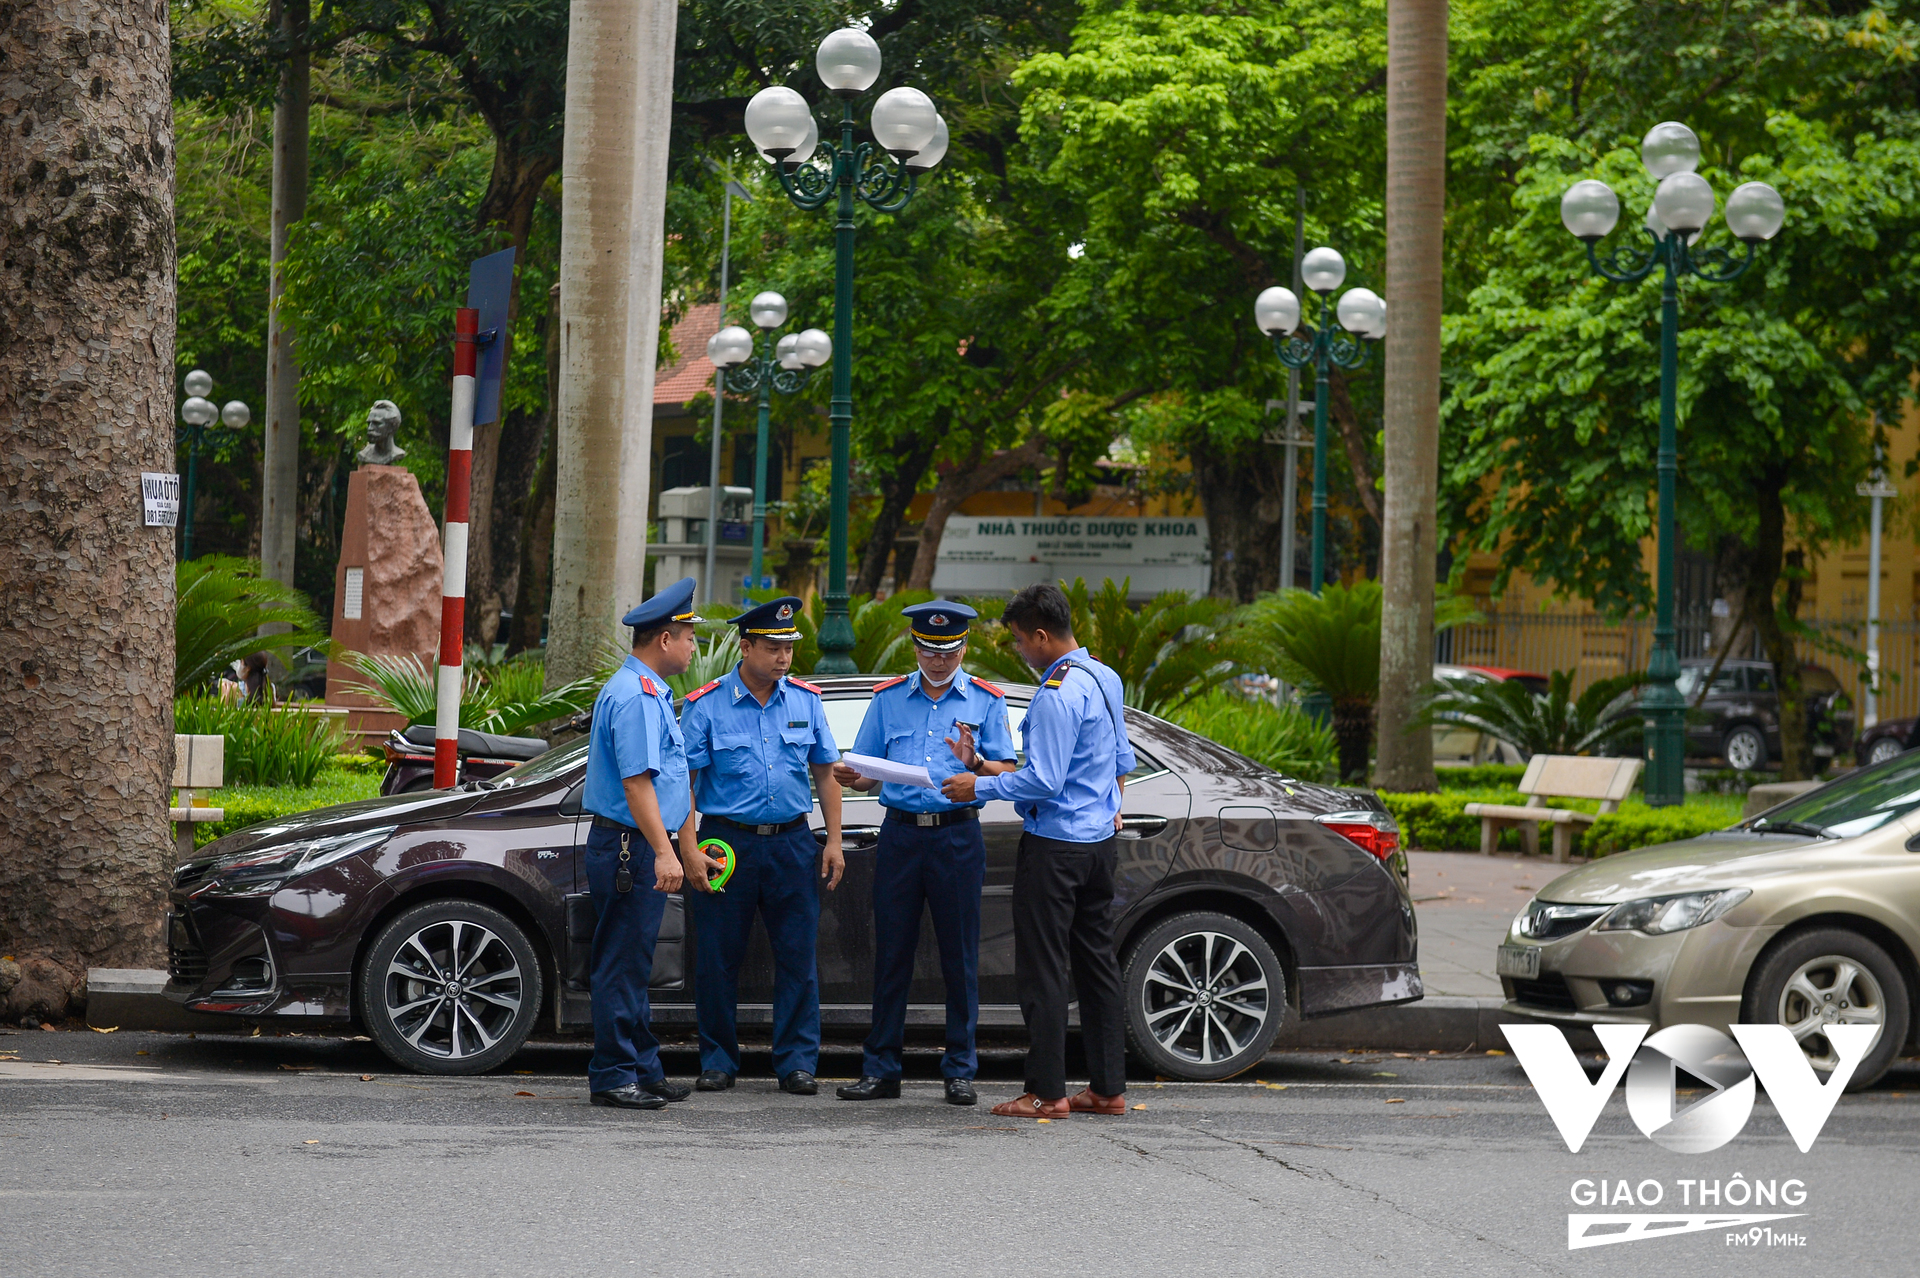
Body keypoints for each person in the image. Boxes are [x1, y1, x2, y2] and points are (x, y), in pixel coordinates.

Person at [941, 581, 1133, 1119]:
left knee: (1044, 969)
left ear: (1043, 635)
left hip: (1055, 848)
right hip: (1098, 845)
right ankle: (1107, 1088)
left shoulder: (1054, 695)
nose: (1021, 652)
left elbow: (1043, 782)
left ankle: (1046, 1092)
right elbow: (1119, 761)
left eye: (1021, 641)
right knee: (1097, 966)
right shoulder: (1104, 677)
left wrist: (976, 787)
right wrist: (981, 764)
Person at [830, 601, 1017, 1107]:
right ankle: (881, 1069)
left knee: (960, 954)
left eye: (950, 651)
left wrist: (974, 762)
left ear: (964, 649)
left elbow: (1007, 770)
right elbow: (868, 769)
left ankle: (959, 1069)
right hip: (901, 836)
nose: (940, 661)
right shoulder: (889, 699)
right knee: (891, 953)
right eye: (931, 651)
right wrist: (852, 778)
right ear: (915, 648)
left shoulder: (984, 700)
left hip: (958, 835)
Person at [679, 596, 843, 1096]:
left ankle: (796, 1062)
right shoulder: (706, 705)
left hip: (793, 842)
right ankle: (718, 1060)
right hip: (726, 843)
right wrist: (688, 848)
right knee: (717, 956)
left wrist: (833, 840)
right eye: (772, 647)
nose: (783, 657)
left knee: (797, 955)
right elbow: (684, 781)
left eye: (789, 647)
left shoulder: (805, 701)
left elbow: (827, 772)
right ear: (745, 646)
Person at [579, 577, 702, 1111]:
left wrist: (686, 845)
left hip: (637, 845)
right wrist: (664, 850)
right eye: (689, 637)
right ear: (665, 641)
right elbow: (637, 784)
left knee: (635, 962)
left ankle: (644, 1069)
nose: (695, 647)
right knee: (621, 964)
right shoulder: (635, 697)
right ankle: (612, 1074)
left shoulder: (651, 692)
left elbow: (675, 782)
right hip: (629, 849)